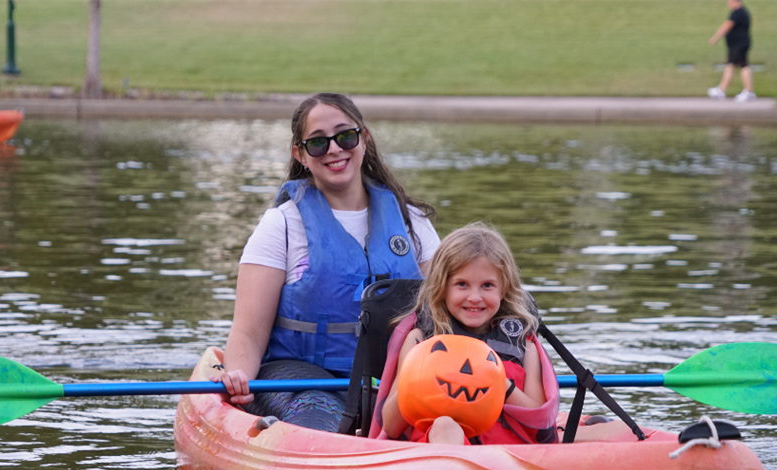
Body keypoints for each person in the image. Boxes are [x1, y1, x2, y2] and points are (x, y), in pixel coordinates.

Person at [212, 92, 440, 431]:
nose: (334, 149)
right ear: (300, 154)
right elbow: (248, 331)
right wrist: (241, 380)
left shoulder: (412, 222)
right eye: (318, 143)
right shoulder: (283, 226)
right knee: (317, 412)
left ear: (364, 139)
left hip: (395, 376)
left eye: (345, 136)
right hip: (299, 379)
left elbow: (446, 311)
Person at [375, 223, 561, 445]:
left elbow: (540, 421)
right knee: (445, 425)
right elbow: (391, 425)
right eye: (462, 284)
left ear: (504, 288)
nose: (475, 297)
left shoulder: (523, 343)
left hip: (508, 456)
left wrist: (498, 385)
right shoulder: (418, 340)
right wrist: (421, 379)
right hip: (436, 446)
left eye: (487, 285)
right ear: (442, 287)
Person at [708, 0, 756, 102]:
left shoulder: (738, 12)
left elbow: (727, 25)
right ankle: (721, 90)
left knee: (743, 65)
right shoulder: (740, 12)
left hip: (739, 44)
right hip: (736, 45)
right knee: (730, 65)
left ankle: (749, 91)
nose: (728, 3)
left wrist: (716, 37)